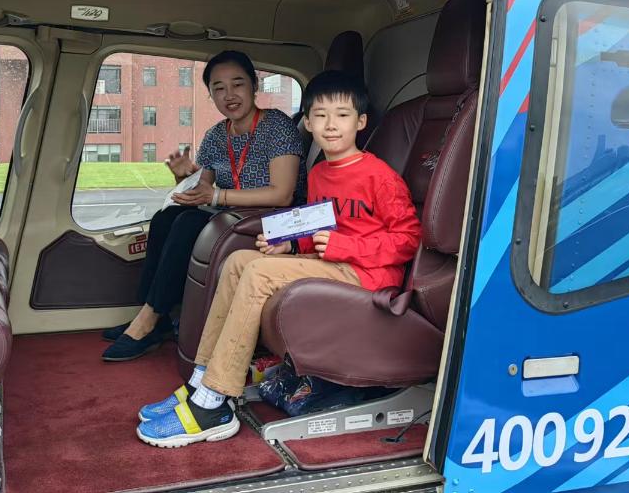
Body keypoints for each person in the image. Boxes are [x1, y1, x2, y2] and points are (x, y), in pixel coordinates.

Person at [133, 70, 421, 448]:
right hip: (334, 265)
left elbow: (408, 240)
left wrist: (344, 248)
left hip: (368, 275)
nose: (330, 125)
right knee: (239, 261)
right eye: (320, 116)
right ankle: (200, 381)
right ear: (308, 123)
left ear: (361, 122)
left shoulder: (379, 177)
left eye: (342, 115)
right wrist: (290, 246)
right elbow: (318, 227)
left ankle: (215, 402)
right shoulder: (320, 173)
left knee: (257, 273)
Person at [101, 50, 305, 362]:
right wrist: (184, 178)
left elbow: (282, 194)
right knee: (167, 218)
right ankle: (151, 313)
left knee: (188, 224)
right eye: (218, 88)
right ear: (210, 94)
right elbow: (202, 191)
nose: (229, 95)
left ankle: (148, 321)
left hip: (275, 219)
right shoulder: (215, 135)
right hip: (230, 215)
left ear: (254, 85)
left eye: (238, 84)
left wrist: (216, 197)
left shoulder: (277, 126)